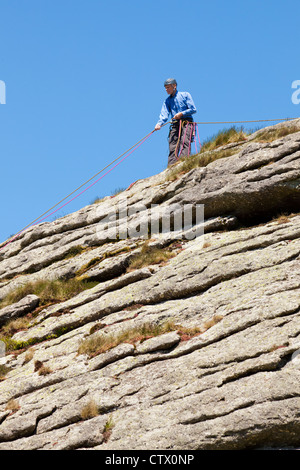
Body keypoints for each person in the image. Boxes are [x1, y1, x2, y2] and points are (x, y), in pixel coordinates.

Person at [155, 78, 197, 166]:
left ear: (174, 86)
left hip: (187, 122)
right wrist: (159, 124)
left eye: (168, 87)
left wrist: (181, 113)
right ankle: (171, 167)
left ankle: (183, 163)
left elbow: (193, 109)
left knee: (185, 141)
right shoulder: (167, 101)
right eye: (165, 88)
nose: (166, 90)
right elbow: (164, 114)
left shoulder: (185, 95)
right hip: (175, 124)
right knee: (172, 145)